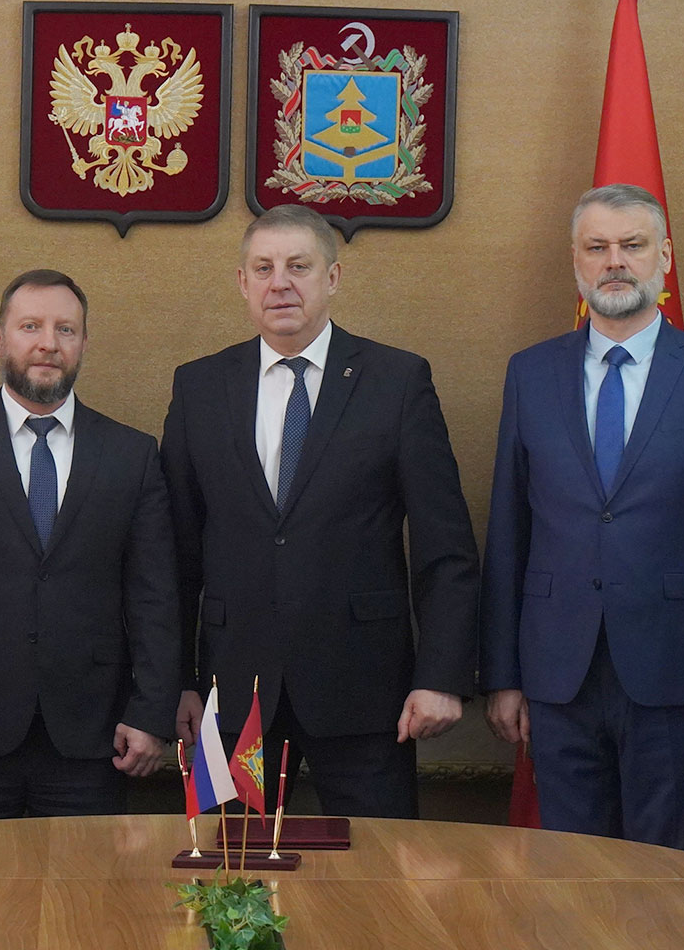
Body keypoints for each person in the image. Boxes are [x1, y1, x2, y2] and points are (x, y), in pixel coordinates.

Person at [480, 183, 684, 853]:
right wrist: (502, 674)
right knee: (572, 877)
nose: (614, 261)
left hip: (677, 675)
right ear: (576, 261)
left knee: (665, 878)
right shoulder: (530, 374)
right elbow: (507, 534)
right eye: (597, 247)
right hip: (558, 676)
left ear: (664, 256)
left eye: (632, 245)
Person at [161, 204, 480, 818]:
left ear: (332, 277)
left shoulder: (397, 381)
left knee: (377, 864)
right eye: (264, 268)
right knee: (230, 863)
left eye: (299, 266)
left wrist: (440, 676)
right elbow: (175, 553)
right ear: (243, 283)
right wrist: (175, 681)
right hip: (233, 693)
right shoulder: (199, 386)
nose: (280, 283)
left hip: (365, 689)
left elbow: (445, 548)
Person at [0, 270, 179, 818]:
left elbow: (155, 598)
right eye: (30, 326)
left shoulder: (132, 454)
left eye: (65, 329)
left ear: (84, 343)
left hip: (95, 735)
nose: (48, 343)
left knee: (83, 876)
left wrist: (151, 712)